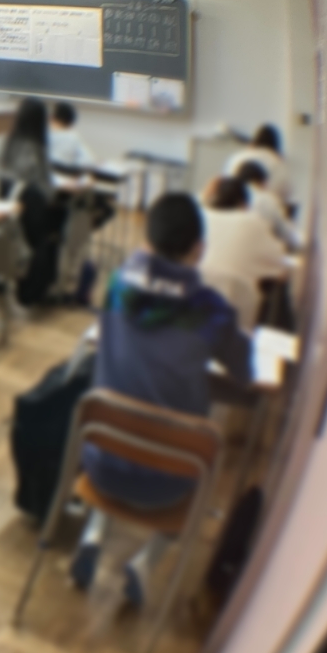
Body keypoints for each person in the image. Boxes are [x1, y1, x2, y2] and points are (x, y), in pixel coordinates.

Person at [72, 193, 252, 606]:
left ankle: (94, 534)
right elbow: (244, 372)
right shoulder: (211, 311)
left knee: (124, 411)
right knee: (198, 449)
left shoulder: (118, 285)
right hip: (170, 481)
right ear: (199, 249)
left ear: (146, 241)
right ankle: (144, 564)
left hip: (100, 463)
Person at [0, 98, 62, 305]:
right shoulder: (38, 151)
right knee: (55, 226)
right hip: (23, 225)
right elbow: (48, 193)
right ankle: (31, 291)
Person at [200, 176, 288, 289]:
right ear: (243, 204)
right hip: (234, 296)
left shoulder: (199, 218)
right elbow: (280, 268)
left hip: (191, 294)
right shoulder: (253, 223)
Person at [235, 160, 302, 252]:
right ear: (262, 182)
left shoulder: (232, 196)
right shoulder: (266, 199)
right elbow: (287, 235)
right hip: (258, 252)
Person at [225, 124, 292, 206]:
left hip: (231, 204)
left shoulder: (236, 157)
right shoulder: (277, 161)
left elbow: (225, 183)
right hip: (267, 206)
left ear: (254, 142)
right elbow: (286, 193)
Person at [48, 102, 95, 167]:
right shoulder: (73, 137)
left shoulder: (47, 135)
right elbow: (88, 160)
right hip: (66, 171)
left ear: (52, 117)